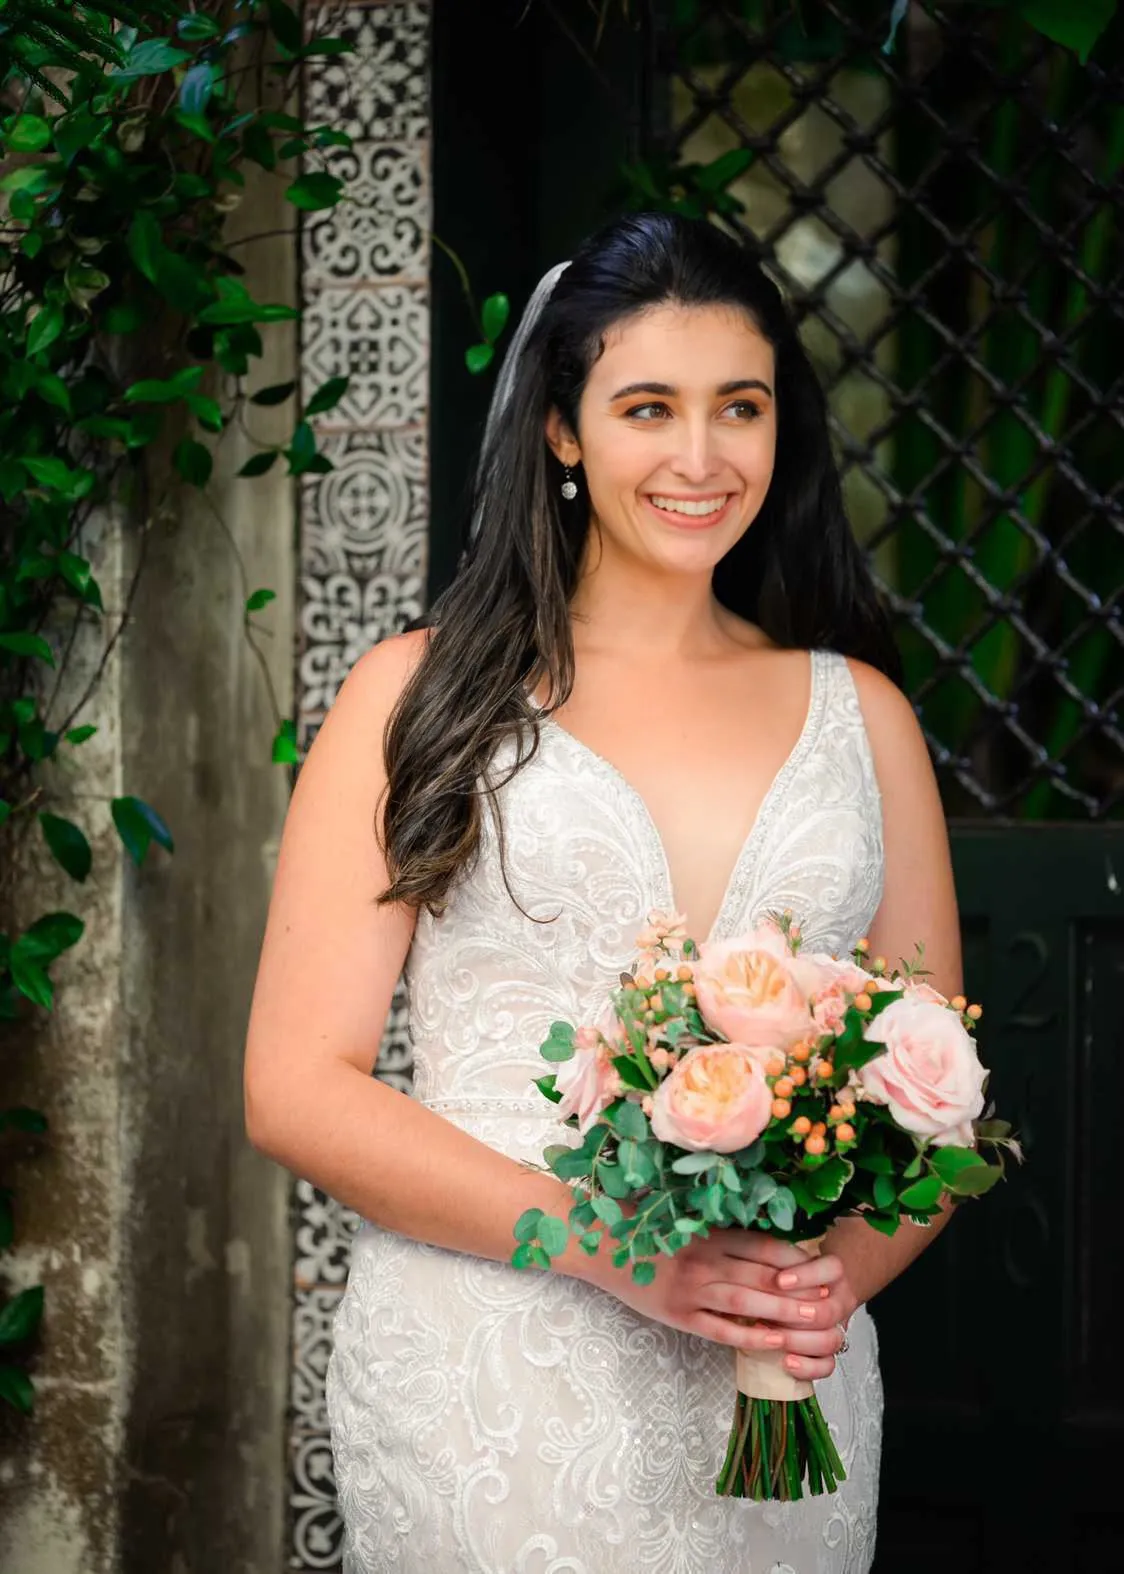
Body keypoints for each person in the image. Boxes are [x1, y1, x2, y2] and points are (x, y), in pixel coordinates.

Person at [244, 212, 961, 1573]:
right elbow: (295, 1080)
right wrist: (617, 1252)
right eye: (649, 407)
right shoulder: (419, 694)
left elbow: (934, 1084)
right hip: (493, 1371)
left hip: (782, 1398)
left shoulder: (862, 716)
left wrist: (827, 1284)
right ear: (564, 432)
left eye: (738, 408)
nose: (701, 458)